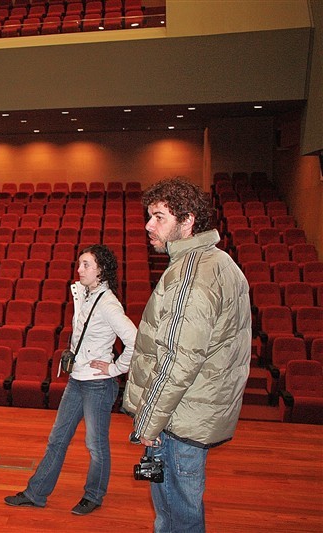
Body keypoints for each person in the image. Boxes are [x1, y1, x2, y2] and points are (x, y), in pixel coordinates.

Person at [122, 178, 251, 532]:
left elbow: (178, 359)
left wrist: (148, 423)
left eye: (160, 217)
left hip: (178, 419)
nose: (149, 225)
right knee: (178, 511)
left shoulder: (192, 273)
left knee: (178, 515)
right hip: (195, 412)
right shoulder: (220, 262)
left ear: (188, 220)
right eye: (150, 216)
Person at [5, 244, 137, 515]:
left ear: (101, 270)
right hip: (77, 379)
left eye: (86, 265)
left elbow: (135, 340)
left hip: (98, 384)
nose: (79, 270)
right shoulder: (85, 295)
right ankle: (36, 493)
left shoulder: (109, 303)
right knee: (57, 439)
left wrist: (114, 368)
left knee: (95, 445)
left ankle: (94, 495)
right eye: (80, 264)